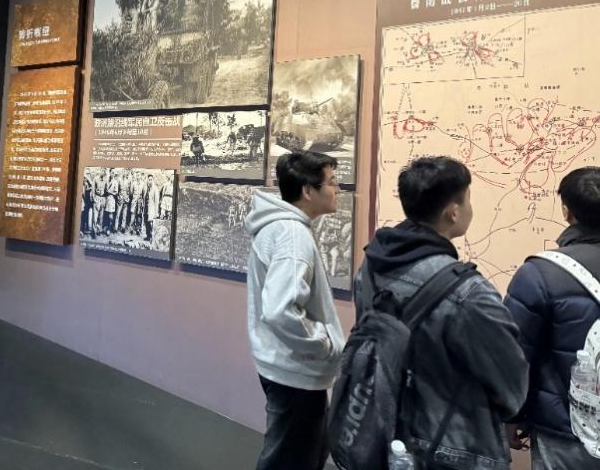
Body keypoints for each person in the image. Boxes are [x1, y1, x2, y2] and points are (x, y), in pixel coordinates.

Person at [356, 156, 528, 470]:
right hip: (454, 448)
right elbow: (512, 389)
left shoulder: (371, 264)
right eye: (468, 199)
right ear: (453, 211)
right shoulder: (469, 292)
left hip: (381, 429)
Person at [245, 151, 346, 470]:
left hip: (285, 364)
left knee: (301, 453)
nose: (338, 189)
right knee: (290, 461)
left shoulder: (281, 227)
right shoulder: (292, 235)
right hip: (295, 370)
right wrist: (323, 344)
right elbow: (280, 310)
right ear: (307, 191)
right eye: (331, 182)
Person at [505, 166, 600, 469]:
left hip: (565, 433)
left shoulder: (541, 273)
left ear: (566, 211)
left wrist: (512, 415)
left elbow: (515, 355)